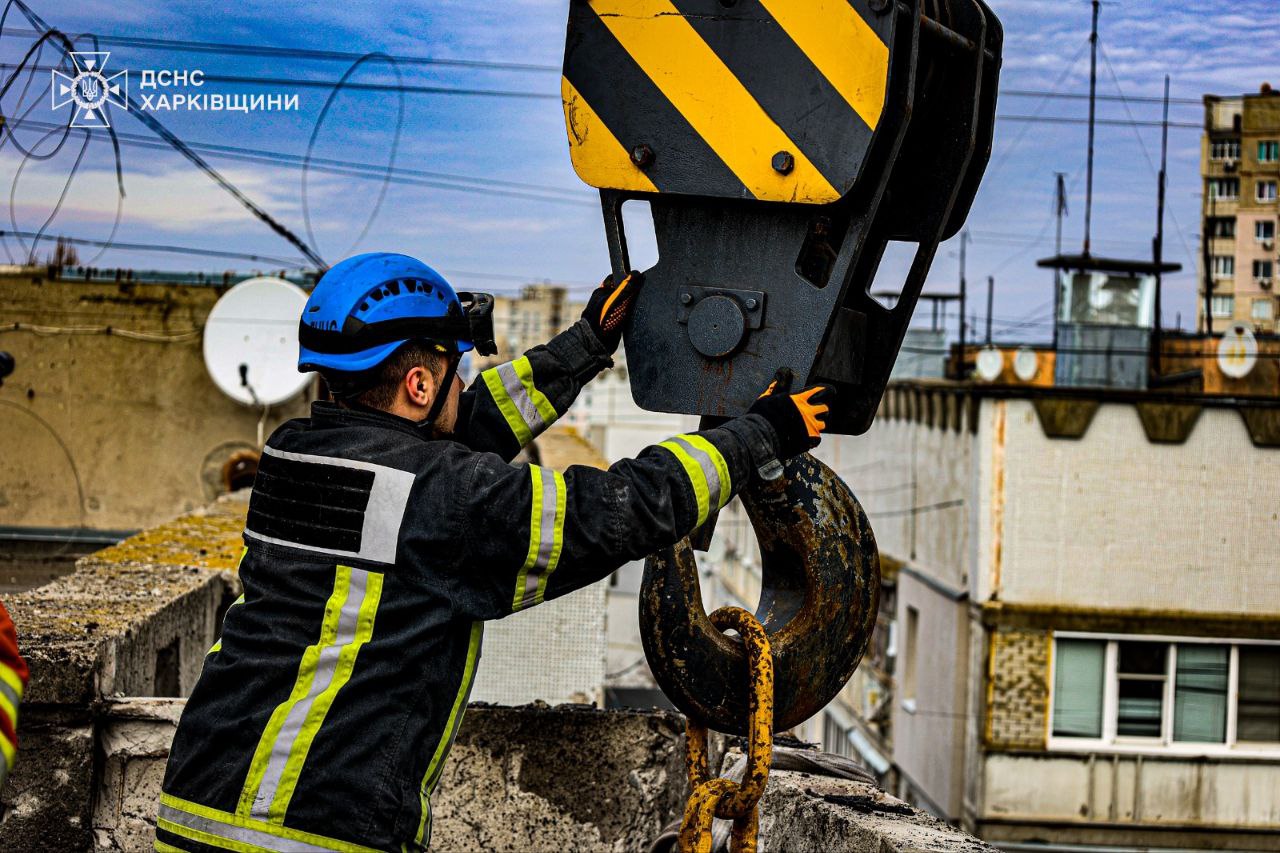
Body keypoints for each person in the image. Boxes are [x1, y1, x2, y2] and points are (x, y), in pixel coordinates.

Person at [157, 252, 833, 852]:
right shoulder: (439, 498)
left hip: (194, 805)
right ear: (419, 385)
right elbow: (623, 509)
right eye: (454, 370)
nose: (463, 384)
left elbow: (460, 437)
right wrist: (759, 434)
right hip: (305, 830)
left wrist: (585, 347)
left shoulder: (293, 457)